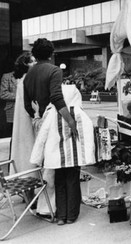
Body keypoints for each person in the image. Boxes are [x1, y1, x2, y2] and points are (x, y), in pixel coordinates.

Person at [23, 38, 81, 225]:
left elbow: (27, 106)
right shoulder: (54, 70)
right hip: (58, 121)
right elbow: (57, 97)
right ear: (51, 54)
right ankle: (69, 214)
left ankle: (55, 211)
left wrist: (38, 114)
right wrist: (71, 122)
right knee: (68, 167)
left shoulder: (29, 75)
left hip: (39, 123)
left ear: (35, 54)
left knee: (51, 167)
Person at [10, 52, 37, 175]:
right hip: (28, 118)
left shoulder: (22, 79)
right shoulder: (28, 79)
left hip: (22, 118)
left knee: (23, 148)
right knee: (29, 146)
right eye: (32, 61)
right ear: (25, 64)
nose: (35, 63)